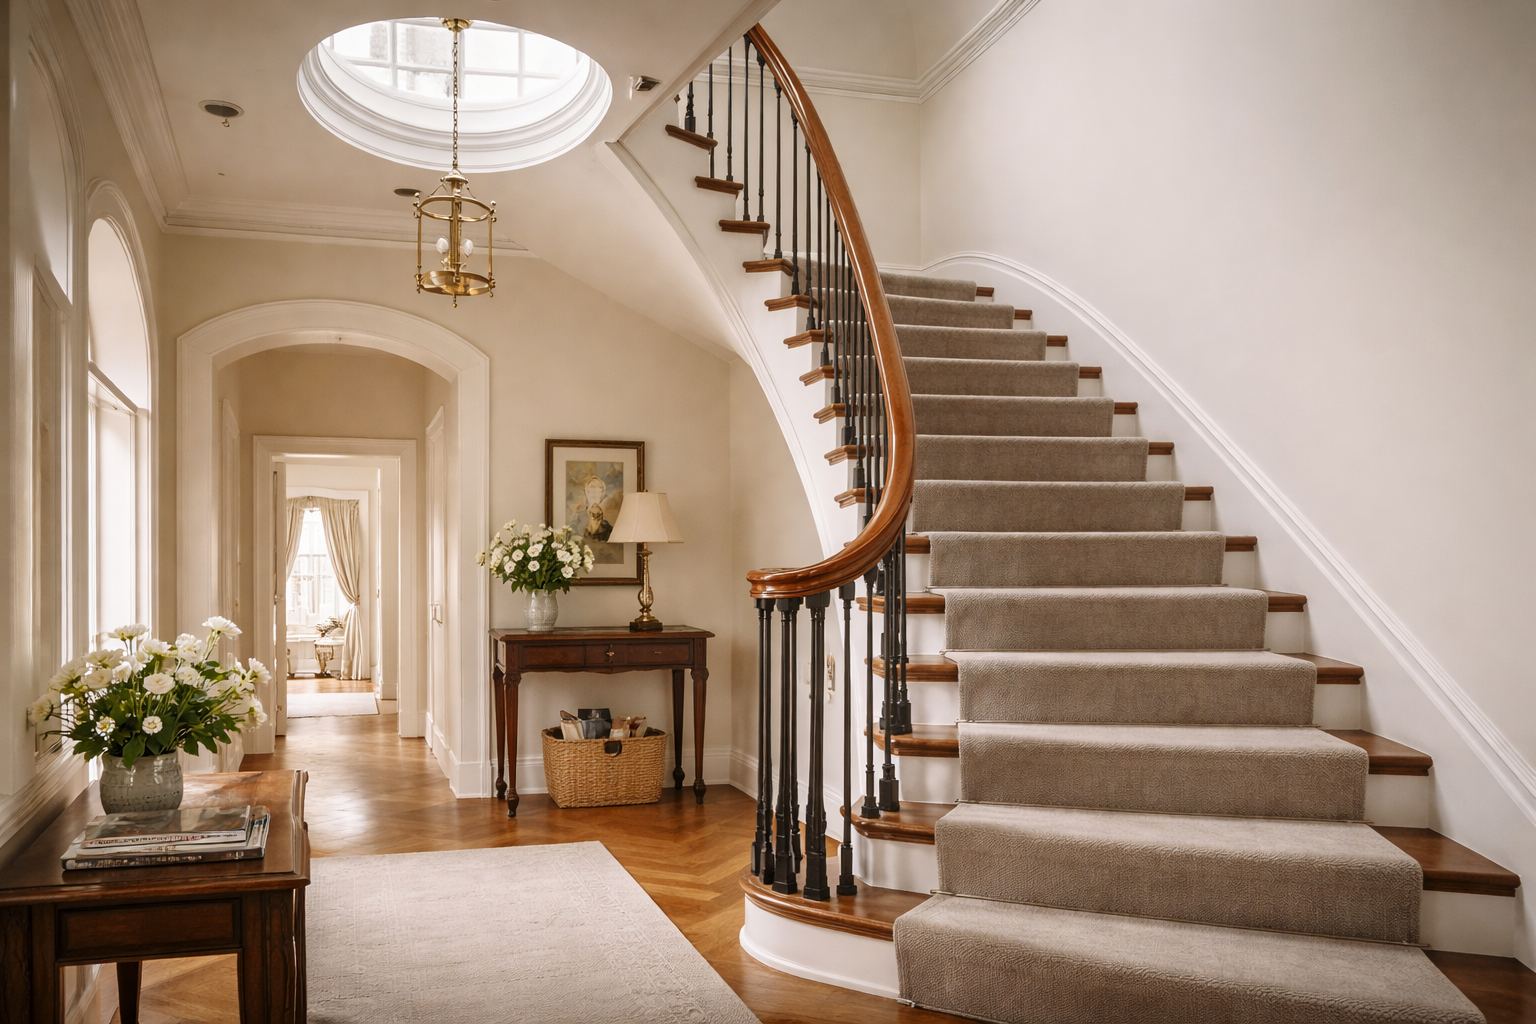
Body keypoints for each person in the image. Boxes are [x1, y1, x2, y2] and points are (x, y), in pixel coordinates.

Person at [582, 475, 613, 542]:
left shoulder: (607, 523)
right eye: (592, 486)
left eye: (599, 487)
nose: (595, 490)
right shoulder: (578, 517)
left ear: (602, 492)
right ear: (587, 491)